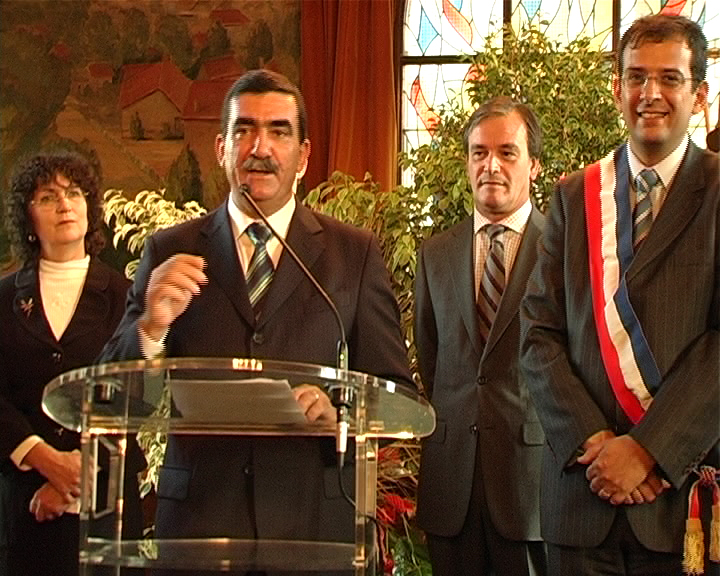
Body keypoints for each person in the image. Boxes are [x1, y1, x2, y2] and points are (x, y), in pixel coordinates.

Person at [99, 69, 412, 573]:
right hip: (200, 528)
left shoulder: (352, 254)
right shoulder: (170, 250)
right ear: (222, 148)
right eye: (244, 130)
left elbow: (397, 396)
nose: (260, 147)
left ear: (303, 156)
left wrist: (339, 411)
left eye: (278, 131)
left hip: (314, 528)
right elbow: (113, 402)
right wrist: (151, 329)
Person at [520, 14, 719, 576]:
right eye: (636, 77)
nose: (649, 93)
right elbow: (538, 333)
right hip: (582, 497)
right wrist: (595, 441)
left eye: (669, 78)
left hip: (679, 500)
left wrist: (648, 449)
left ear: (699, 95)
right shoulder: (574, 196)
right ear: (617, 89)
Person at [414, 96, 547, 576]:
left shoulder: (562, 249)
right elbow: (431, 360)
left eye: (507, 152)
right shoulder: (435, 254)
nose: (491, 165)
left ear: (534, 165)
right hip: (451, 485)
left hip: (530, 486)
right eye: (479, 153)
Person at [0, 151, 138, 575]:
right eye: (48, 196)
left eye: (74, 193)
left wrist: (73, 482)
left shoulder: (127, 296)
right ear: (27, 219)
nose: (64, 204)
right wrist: (45, 459)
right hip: (24, 506)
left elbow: (135, 395)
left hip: (108, 508)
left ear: (89, 207)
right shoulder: (3, 299)